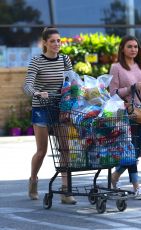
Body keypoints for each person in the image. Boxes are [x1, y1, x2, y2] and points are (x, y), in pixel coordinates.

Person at [23, 27, 76, 204]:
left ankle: (65, 190)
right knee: (42, 150)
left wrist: (75, 91)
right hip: (41, 108)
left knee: (65, 149)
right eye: (52, 41)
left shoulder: (65, 59)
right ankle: (33, 180)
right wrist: (38, 93)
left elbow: (71, 81)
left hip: (60, 107)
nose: (56, 44)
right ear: (44, 43)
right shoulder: (37, 61)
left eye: (59, 41)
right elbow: (27, 86)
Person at [109, 35, 141, 200]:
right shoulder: (116, 67)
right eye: (130, 46)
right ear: (122, 49)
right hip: (126, 113)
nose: (133, 49)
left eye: (135, 47)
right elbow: (113, 93)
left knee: (136, 151)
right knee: (131, 150)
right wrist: (132, 87)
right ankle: (137, 188)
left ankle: (116, 175)